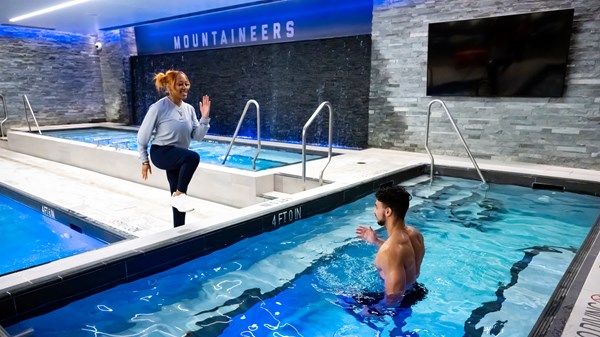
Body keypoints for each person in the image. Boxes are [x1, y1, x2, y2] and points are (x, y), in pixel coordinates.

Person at [137, 70, 211, 227]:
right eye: (180, 84)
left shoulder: (189, 109)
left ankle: (179, 229)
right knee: (193, 157)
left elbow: (197, 136)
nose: (184, 87)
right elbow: (143, 137)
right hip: (161, 152)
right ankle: (179, 195)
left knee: (178, 193)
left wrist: (204, 118)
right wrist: (144, 161)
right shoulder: (158, 108)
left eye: (186, 84)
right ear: (170, 87)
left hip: (177, 156)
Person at [355, 185, 425, 315]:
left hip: (397, 302)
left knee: (343, 301)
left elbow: (394, 295)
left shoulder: (389, 251)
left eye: (376, 207)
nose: (374, 211)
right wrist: (376, 240)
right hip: (416, 291)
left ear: (387, 212)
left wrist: (374, 309)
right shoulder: (415, 235)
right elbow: (400, 256)